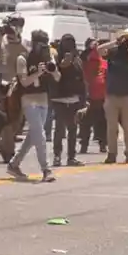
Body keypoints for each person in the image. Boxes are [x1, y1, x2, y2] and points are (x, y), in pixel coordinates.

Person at [6, 29, 58, 182]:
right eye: (40, 45)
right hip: (29, 99)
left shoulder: (48, 57)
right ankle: (46, 169)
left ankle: (14, 164)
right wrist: (38, 73)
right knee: (40, 134)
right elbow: (24, 82)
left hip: (43, 99)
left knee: (33, 135)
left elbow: (58, 77)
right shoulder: (23, 58)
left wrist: (52, 69)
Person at [0, 14, 29, 162]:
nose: (16, 28)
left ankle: (4, 144)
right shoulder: (1, 42)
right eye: (14, 25)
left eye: (19, 25)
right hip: (3, 85)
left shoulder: (24, 43)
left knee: (18, 121)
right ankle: (8, 150)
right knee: (6, 119)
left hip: (19, 85)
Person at [98, 29, 128, 164]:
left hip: (127, 96)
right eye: (124, 39)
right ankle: (112, 153)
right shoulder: (113, 52)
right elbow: (99, 50)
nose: (126, 42)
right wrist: (114, 42)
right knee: (112, 128)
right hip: (112, 96)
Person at [49, 34, 86, 167]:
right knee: (59, 129)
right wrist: (64, 63)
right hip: (59, 98)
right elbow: (56, 74)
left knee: (73, 129)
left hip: (74, 99)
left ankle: (71, 157)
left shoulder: (77, 59)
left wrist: (84, 99)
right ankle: (57, 156)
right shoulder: (56, 58)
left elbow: (82, 80)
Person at [79, 38, 107, 154]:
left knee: (102, 123)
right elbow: (86, 54)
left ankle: (103, 144)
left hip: (103, 98)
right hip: (89, 97)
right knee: (85, 123)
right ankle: (84, 145)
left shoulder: (104, 63)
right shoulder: (89, 59)